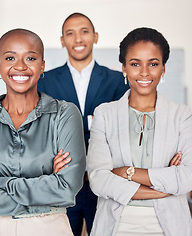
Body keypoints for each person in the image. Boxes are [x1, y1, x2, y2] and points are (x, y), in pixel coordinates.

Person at [0, 29, 86, 236]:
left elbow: (67, 187)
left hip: (49, 228)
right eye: (10, 58)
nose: (20, 66)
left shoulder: (65, 114)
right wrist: (47, 181)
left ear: (42, 66)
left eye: (30, 58)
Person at [87, 27, 192, 236]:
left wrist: (127, 173)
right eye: (135, 64)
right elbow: (99, 180)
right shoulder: (104, 114)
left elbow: (188, 176)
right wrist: (162, 187)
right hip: (116, 225)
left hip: (170, 226)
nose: (145, 72)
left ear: (163, 68)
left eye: (153, 64)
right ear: (124, 68)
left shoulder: (181, 115)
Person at [37, 12, 129, 235]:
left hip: (106, 178)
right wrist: (94, 121)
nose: (78, 39)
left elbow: (120, 126)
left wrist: (68, 123)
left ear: (95, 37)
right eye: (70, 33)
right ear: (62, 41)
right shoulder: (45, 81)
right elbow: (43, 127)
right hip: (62, 179)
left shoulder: (117, 80)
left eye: (84, 32)